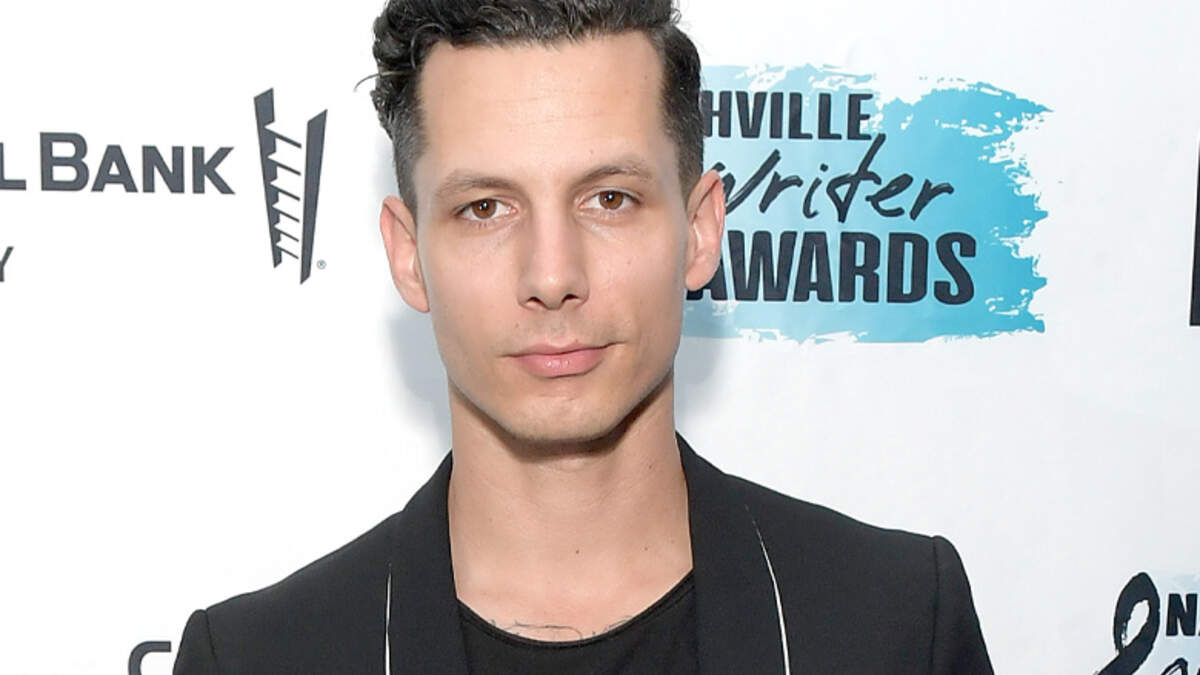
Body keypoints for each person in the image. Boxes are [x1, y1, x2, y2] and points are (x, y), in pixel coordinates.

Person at [173, 1, 993, 672]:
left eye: (609, 199)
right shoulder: (255, 659)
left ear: (701, 230)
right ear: (408, 254)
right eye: (484, 208)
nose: (552, 273)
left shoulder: (897, 626)